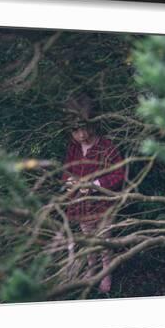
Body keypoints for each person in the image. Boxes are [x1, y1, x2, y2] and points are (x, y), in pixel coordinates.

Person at [60, 94, 126, 293]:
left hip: (103, 203)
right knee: (88, 237)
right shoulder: (73, 147)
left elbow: (119, 173)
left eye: (83, 128)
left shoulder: (105, 146)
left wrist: (95, 184)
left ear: (92, 123)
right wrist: (69, 180)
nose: (80, 135)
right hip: (82, 203)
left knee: (104, 239)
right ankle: (92, 266)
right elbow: (67, 169)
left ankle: (107, 271)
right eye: (75, 131)